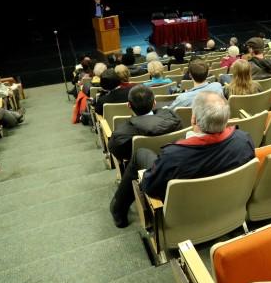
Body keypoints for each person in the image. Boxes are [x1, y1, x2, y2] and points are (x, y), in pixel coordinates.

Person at [109, 91, 255, 227]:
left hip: (183, 215)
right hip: (226, 204)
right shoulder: (244, 140)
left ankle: (118, 209)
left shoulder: (174, 156)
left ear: (193, 119)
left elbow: (150, 187)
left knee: (140, 154)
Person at [108, 85, 181, 162]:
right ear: (154, 103)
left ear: (129, 105)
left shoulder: (120, 135)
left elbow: (116, 151)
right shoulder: (173, 118)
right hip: (172, 159)